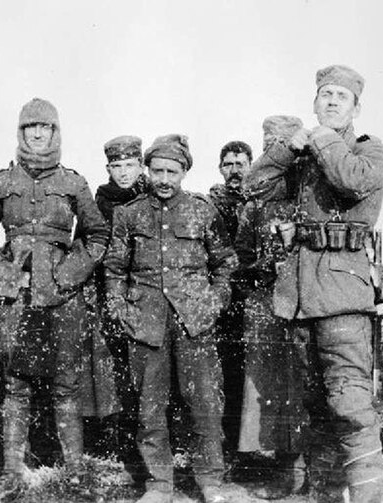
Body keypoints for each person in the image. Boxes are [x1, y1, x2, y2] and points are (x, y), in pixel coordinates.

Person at [245, 64, 383, 503]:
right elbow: (252, 186)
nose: (330, 101)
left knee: (350, 403)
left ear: (356, 108)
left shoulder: (371, 151)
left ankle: (369, 497)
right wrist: (288, 149)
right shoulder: (302, 158)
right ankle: (325, 494)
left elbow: (350, 182)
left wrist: (323, 137)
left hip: (343, 294)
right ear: (313, 103)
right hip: (301, 295)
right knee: (316, 403)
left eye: (340, 97)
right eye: (324, 95)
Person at [0, 98, 109, 490]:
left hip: (64, 298)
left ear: (55, 131)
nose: (37, 134)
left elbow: (97, 235)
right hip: (18, 298)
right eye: (30, 127)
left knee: (65, 384)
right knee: (17, 384)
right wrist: (4, 270)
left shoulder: (73, 182)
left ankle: (75, 470)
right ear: (21, 131)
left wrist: (68, 274)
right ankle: (13, 470)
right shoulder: (1, 182)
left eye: (44, 127)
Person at [104, 134, 238, 503]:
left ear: (183, 173)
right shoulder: (128, 213)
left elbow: (225, 262)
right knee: (150, 405)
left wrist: (214, 302)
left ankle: (210, 481)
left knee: (205, 403)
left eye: (172, 172)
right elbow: (114, 268)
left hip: (194, 320)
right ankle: (158, 484)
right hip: (145, 321)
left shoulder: (202, 210)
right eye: (158, 170)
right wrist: (120, 308)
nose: (164, 178)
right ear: (147, 170)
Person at [235, 115, 308, 499]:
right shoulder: (254, 204)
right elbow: (242, 253)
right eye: (269, 143)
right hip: (265, 301)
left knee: (300, 381)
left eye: (282, 142)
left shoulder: (306, 194)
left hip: (304, 299)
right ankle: (278, 461)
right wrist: (260, 268)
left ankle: (301, 463)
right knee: (266, 382)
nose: (273, 149)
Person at [80, 136, 150, 472]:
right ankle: (115, 439)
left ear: (140, 165)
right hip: (109, 291)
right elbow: (88, 243)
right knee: (109, 366)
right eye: (116, 166)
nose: (123, 173)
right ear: (108, 168)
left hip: (146, 292)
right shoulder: (99, 202)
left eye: (129, 165)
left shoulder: (153, 196)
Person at [208, 140, 252, 457]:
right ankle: (229, 443)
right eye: (228, 165)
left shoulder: (259, 200)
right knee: (227, 371)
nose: (234, 171)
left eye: (240, 164)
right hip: (226, 298)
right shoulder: (212, 204)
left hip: (254, 294)